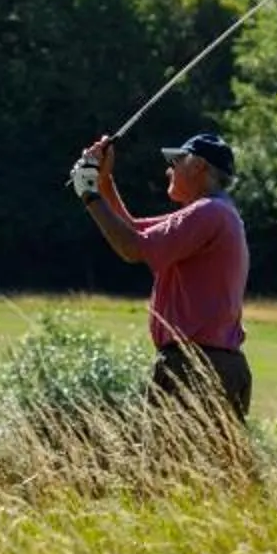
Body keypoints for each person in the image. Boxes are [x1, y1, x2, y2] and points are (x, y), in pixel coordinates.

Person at [72, 130, 252, 433]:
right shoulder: (214, 212)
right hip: (209, 363)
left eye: (176, 161)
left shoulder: (208, 212)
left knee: (168, 473)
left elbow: (131, 248)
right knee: (204, 476)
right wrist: (104, 182)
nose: (169, 169)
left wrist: (88, 193)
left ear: (199, 167)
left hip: (195, 366)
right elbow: (131, 232)